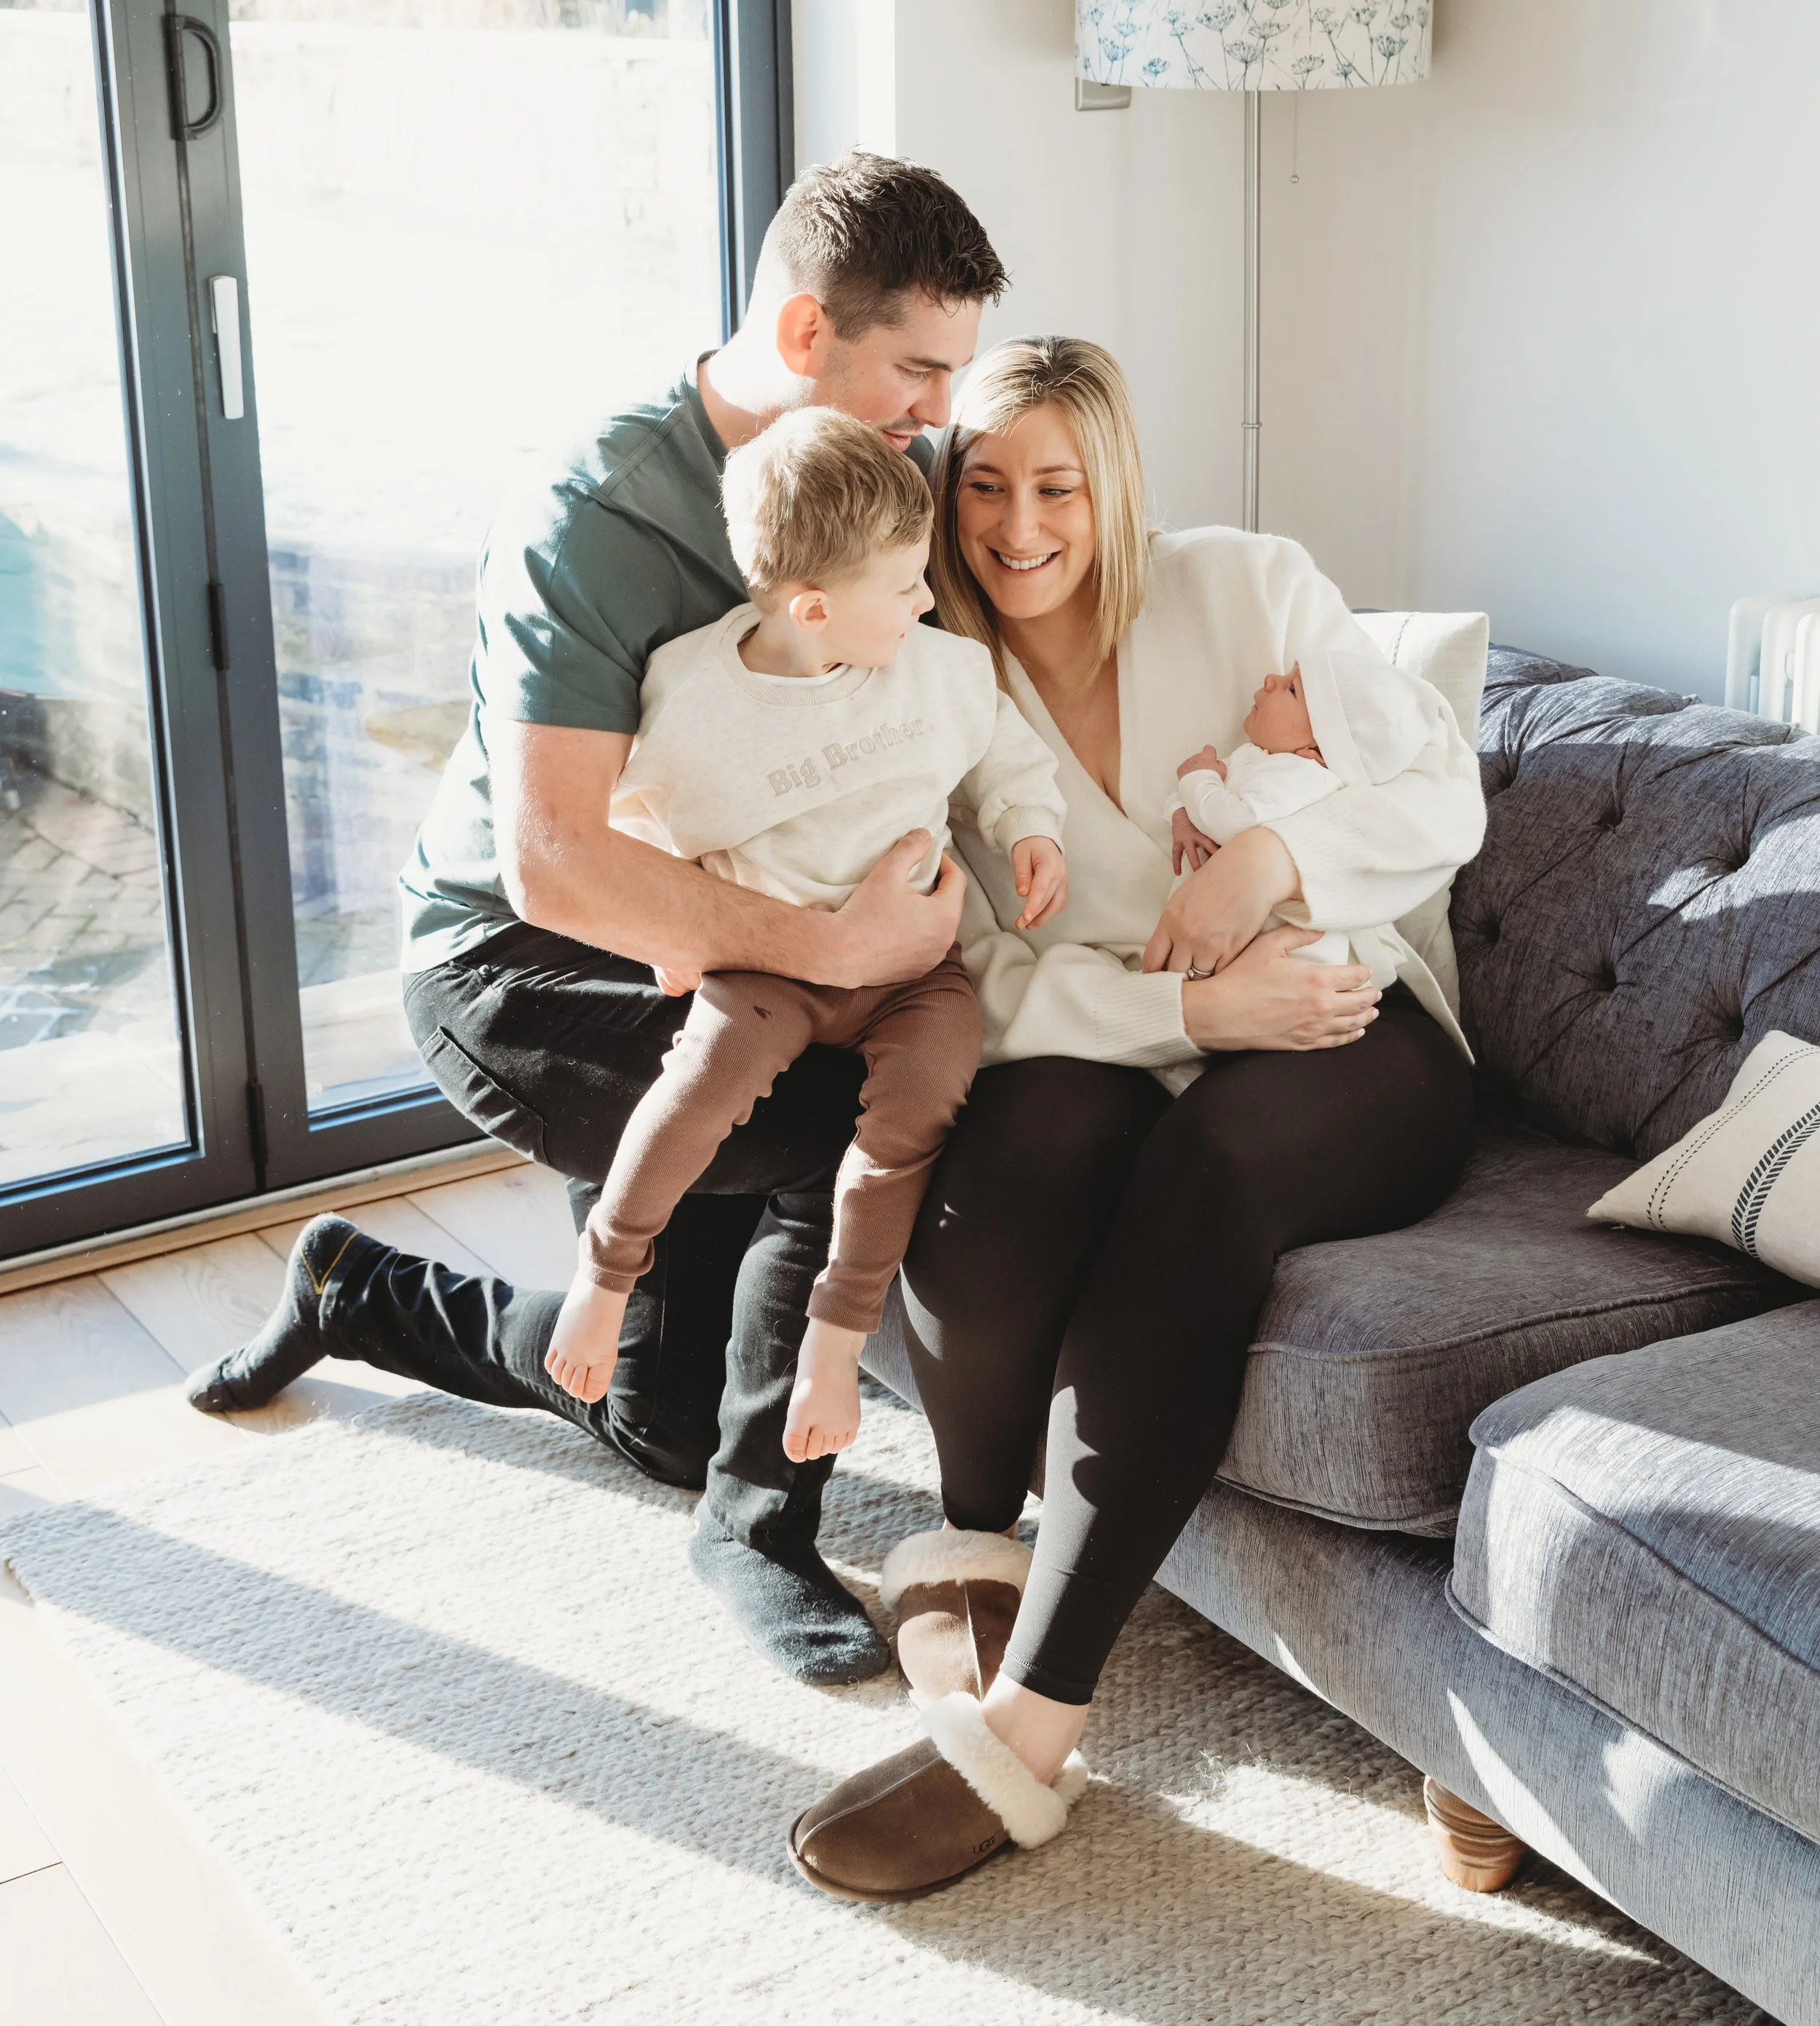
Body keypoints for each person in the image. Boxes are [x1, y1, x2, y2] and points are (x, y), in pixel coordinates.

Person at [184, 152, 1009, 1687]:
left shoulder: (890, 483)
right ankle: (759, 1525)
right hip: (517, 954)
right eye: (915, 367)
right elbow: (555, 863)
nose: (933, 409)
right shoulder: (601, 512)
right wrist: (837, 949)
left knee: (656, 1418)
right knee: (833, 1106)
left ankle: (355, 1287)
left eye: (948, 375)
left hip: (728, 935)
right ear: (808, 326)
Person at [786, 336, 1486, 1901]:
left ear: (1114, 485)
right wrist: (1184, 1013)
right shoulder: (929, 685)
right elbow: (984, 974)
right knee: (1012, 1141)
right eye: (982, 483)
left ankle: (1029, 1729)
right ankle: (971, 1547)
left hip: (1340, 1025)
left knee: (1209, 1158)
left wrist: (1263, 874)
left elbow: (1443, 795)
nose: (1018, 525)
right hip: (1137, 1033)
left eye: (1057, 484)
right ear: (940, 491)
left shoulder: (1249, 585)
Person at [545, 405, 1068, 1469]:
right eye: (905, 585)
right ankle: (604, 1276)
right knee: (697, 1086)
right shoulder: (695, 703)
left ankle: (835, 1338)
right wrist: (670, 920)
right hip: (771, 962)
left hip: (916, 970)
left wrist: (1032, 831)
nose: (930, 599)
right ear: (814, 608)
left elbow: (1006, 754)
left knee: (920, 1107)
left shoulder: (938, 670)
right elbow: (631, 818)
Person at [1166, 650, 1466, 1036]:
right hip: (1229, 942)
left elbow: (1234, 822)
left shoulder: (1301, 776)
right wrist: (1181, 813)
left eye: (1292, 689)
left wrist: (1198, 779)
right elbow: (1207, 805)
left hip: (1294, 959)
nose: (1271, 679)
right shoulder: (1261, 759)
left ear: (1317, 751)